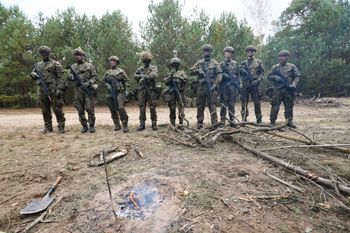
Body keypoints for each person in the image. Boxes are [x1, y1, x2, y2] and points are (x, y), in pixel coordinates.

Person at [30, 46, 67, 133]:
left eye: (46, 53)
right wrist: (34, 77)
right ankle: (48, 127)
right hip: (42, 89)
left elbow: (61, 77)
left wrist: (60, 89)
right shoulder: (38, 65)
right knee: (45, 109)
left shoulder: (56, 64)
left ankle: (61, 126)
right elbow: (33, 75)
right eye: (42, 54)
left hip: (53, 88)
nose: (44, 55)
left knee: (57, 108)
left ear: (49, 54)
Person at [190, 44, 222, 129]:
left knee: (212, 105)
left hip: (211, 86)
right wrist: (198, 70)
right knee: (200, 105)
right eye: (205, 51)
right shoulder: (199, 62)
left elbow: (219, 74)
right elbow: (191, 71)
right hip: (201, 86)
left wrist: (215, 85)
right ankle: (200, 123)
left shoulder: (215, 63)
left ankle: (214, 123)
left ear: (211, 52)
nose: (206, 53)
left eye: (208, 51)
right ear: (203, 52)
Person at [68, 47, 98, 133]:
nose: (77, 57)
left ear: (83, 56)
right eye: (76, 55)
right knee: (80, 109)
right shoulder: (73, 67)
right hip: (77, 90)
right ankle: (84, 125)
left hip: (87, 90)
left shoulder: (89, 65)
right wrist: (70, 77)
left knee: (89, 108)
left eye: (79, 55)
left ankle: (91, 125)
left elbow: (95, 77)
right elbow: (70, 77)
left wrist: (88, 83)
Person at [268, 50, 300, 128]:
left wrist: (294, 84)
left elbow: (297, 76)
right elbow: (269, 77)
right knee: (275, 105)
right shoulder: (275, 67)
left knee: (289, 106)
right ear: (279, 57)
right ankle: (272, 121)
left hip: (288, 90)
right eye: (281, 56)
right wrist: (275, 77)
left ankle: (289, 121)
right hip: (278, 90)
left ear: (288, 57)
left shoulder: (292, 66)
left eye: (285, 56)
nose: (283, 58)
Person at [103, 56, 129, 132]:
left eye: (114, 61)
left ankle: (125, 124)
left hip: (119, 91)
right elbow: (103, 81)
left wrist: (127, 90)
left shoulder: (121, 71)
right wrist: (107, 85)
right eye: (111, 61)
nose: (112, 62)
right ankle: (117, 124)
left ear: (117, 62)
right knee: (112, 108)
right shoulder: (107, 72)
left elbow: (127, 81)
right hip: (110, 93)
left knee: (120, 107)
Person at [134, 51, 159, 131]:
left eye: (147, 61)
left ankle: (154, 123)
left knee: (152, 107)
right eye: (144, 61)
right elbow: (135, 76)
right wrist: (140, 76)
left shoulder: (153, 68)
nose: (146, 62)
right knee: (142, 107)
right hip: (142, 90)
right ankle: (142, 123)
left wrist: (147, 76)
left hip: (151, 89)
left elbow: (155, 75)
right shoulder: (140, 69)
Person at [240, 46, 264, 123]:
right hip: (245, 84)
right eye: (248, 51)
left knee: (257, 102)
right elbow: (239, 74)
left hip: (254, 84)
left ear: (254, 52)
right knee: (244, 102)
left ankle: (259, 119)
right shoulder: (243, 63)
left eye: (251, 51)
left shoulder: (259, 62)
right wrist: (241, 71)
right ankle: (244, 118)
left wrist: (258, 80)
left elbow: (262, 74)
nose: (249, 53)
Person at [163, 57, 188, 127]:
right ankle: (172, 122)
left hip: (180, 92)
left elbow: (186, 80)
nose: (175, 66)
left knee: (181, 107)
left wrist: (179, 78)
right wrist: (171, 76)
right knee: (172, 107)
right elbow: (165, 82)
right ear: (171, 65)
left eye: (176, 64)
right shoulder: (169, 73)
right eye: (174, 64)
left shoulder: (182, 73)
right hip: (172, 92)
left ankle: (181, 122)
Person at [219, 46, 240, 126]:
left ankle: (232, 120)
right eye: (226, 52)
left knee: (232, 104)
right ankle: (222, 121)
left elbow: (238, 76)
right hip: (224, 87)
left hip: (232, 87)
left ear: (232, 54)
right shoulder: (221, 64)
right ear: (224, 53)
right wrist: (223, 75)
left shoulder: (235, 64)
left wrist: (238, 87)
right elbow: (218, 75)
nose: (228, 54)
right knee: (223, 105)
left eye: (229, 53)